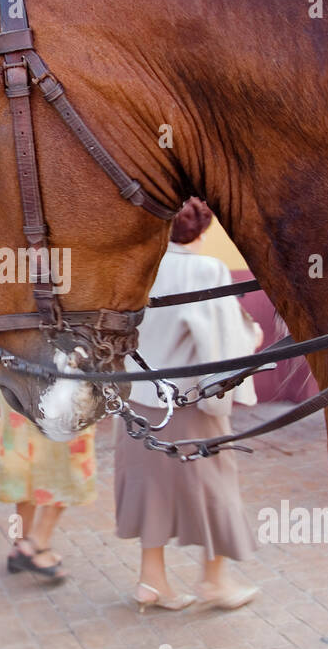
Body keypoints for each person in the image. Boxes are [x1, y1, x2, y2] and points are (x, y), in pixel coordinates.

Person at [113, 198, 263, 611]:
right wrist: (253, 340)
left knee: (150, 489)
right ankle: (214, 580)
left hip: (139, 401)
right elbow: (223, 344)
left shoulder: (137, 264)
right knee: (215, 488)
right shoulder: (206, 270)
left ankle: (151, 579)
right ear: (203, 229)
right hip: (189, 404)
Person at [0, 398, 97, 584]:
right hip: (58, 382)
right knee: (67, 459)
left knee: (22, 451)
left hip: (18, 378)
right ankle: (36, 544)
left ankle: (20, 542)